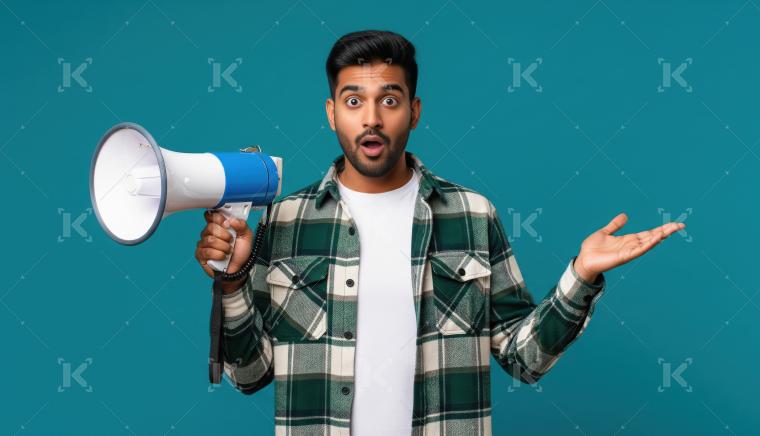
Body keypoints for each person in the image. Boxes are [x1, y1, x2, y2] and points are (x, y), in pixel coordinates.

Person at [194, 29, 685, 436]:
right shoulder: (283, 220)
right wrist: (231, 283)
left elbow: (523, 358)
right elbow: (250, 374)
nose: (371, 117)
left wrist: (580, 276)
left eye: (389, 99)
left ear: (414, 110)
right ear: (331, 113)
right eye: (353, 100)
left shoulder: (472, 214)